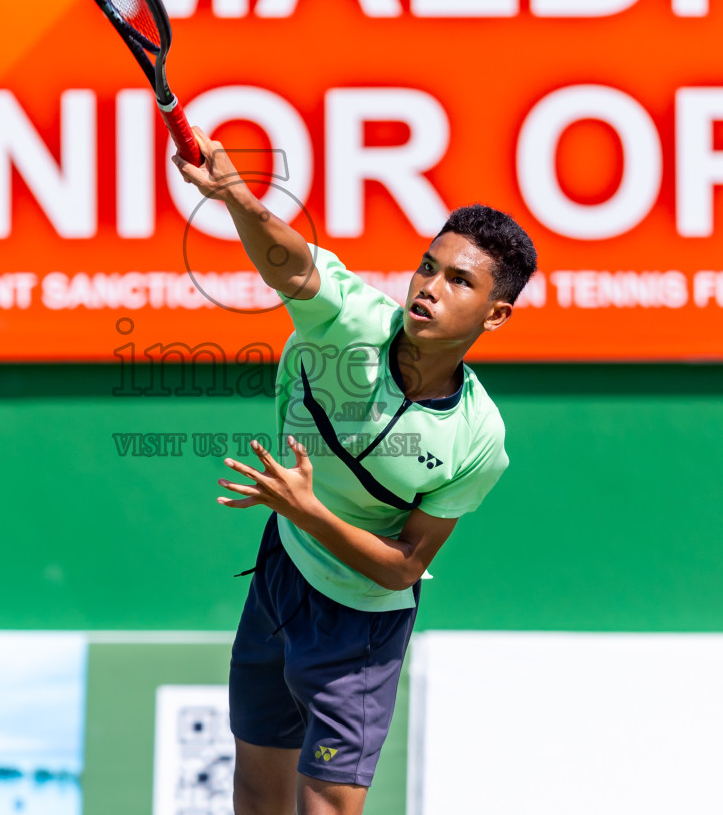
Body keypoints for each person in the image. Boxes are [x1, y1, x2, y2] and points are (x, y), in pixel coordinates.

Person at [174, 130, 538, 815]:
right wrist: (233, 197)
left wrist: (308, 510)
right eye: (428, 267)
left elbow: (404, 566)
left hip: (360, 624)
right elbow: (293, 268)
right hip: (283, 574)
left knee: (328, 806)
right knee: (255, 786)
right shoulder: (351, 324)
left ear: (496, 313)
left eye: (458, 281)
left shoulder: (477, 438)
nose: (429, 287)